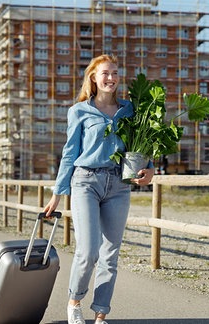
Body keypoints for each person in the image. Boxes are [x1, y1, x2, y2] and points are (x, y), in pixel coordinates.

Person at [43, 54, 154, 324]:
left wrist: (150, 168)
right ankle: (74, 302)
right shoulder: (79, 111)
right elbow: (69, 153)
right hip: (85, 182)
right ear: (93, 77)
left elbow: (143, 144)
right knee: (89, 250)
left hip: (119, 184)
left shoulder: (131, 110)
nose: (111, 78)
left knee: (110, 253)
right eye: (105, 73)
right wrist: (58, 193)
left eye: (115, 72)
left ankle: (101, 314)